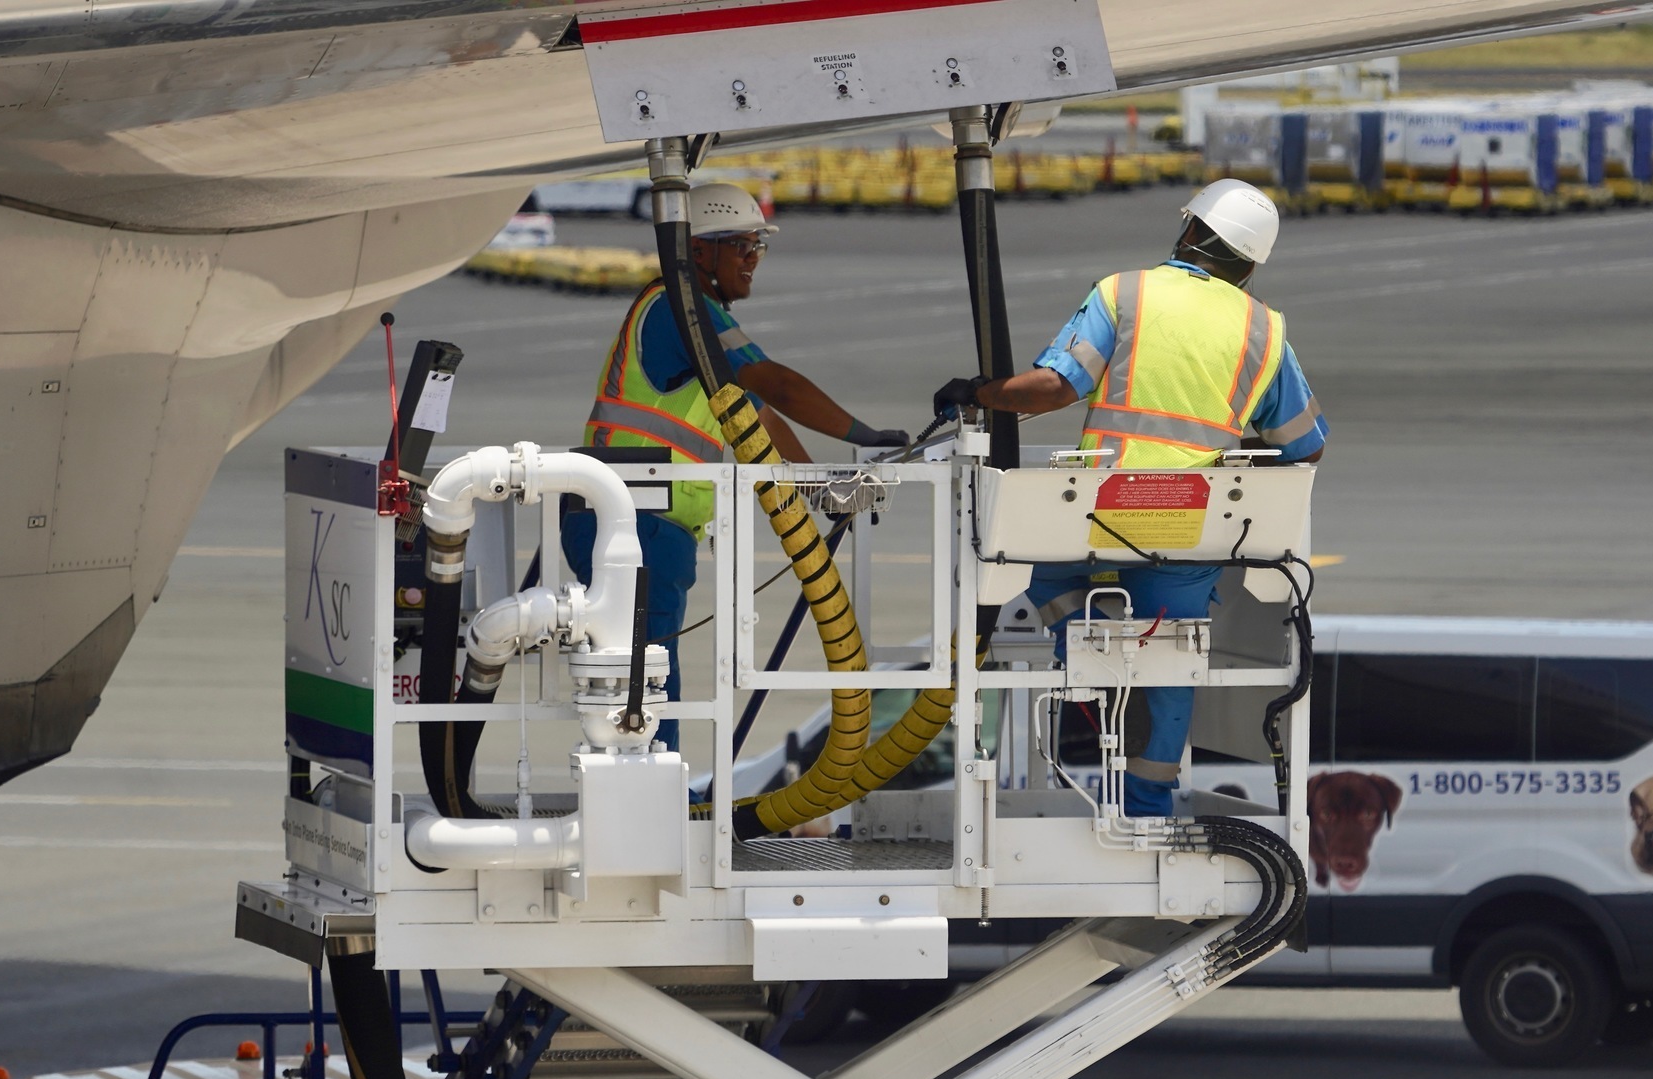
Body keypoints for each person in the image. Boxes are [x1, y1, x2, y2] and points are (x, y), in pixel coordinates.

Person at [931, 178, 1328, 816]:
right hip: (1193, 523)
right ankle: (1146, 803)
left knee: (1030, 562)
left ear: (1192, 231)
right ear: (1251, 262)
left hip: (1106, 512)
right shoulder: (1264, 330)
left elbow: (1054, 388)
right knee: (1172, 656)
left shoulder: (1126, 293)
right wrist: (1229, 465)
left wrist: (979, 393)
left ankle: (1088, 648)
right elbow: (1304, 444)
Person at [564, 183, 906, 752]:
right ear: (699, 251)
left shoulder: (697, 327)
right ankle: (654, 799)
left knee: (650, 670)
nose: (753, 260)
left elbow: (761, 419)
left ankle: (656, 790)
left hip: (645, 522)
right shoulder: (684, 311)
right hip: (633, 520)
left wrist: (822, 490)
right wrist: (862, 434)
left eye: (758, 247)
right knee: (647, 676)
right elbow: (778, 384)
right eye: (742, 246)